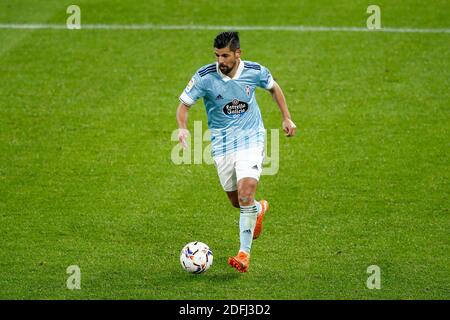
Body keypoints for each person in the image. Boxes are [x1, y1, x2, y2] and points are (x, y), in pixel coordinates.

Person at [176, 31, 296, 272]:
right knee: (237, 202)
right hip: (221, 146)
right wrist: (182, 129)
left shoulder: (255, 71)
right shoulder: (204, 76)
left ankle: (244, 253)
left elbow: (274, 88)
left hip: (251, 140)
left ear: (238, 54)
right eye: (217, 55)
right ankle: (258, 209)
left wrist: (286, 117)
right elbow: (184, 105)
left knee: (245, 194)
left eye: (225, 55)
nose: (220, 61)